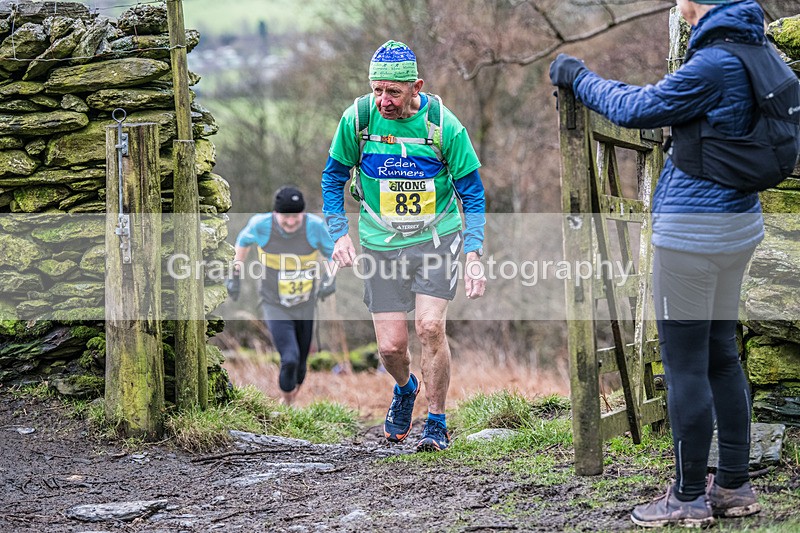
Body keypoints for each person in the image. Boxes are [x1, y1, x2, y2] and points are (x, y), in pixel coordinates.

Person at [550, 0, 772, 527]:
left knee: (685, 365)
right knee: (721, 353)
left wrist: (578, 76)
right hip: (739, 225)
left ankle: (688, 496)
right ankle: (735, 486)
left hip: (693, 234)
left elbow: (636, 109)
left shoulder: (716, 63)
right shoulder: (759, 51)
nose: (677, 4)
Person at [322, 40, 487, 452]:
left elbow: (473, 193)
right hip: (380, 243)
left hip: (436, 238)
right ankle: (404, 387)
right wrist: (338, 232)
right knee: (391, 347)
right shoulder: (357, 120)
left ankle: (436, 420)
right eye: (376, 90)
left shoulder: (445, 126)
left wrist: (474, 252)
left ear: (417, 87)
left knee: (430, 328)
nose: (383, 101)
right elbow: (332, 178)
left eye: (392, 92)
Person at [227, 186, 335, 406]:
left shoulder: (314, 227)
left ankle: (290, 401)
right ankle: (287, 405)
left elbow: (334, 254)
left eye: (295, 217)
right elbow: (243, 242)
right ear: (275, 213)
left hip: (305, 302)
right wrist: (235, 274)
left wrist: (329, 278)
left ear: (302, 214)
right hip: (273, 301)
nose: (290, 222)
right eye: (285, 217)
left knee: (302, 364)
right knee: (290, 358)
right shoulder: (261, 225)